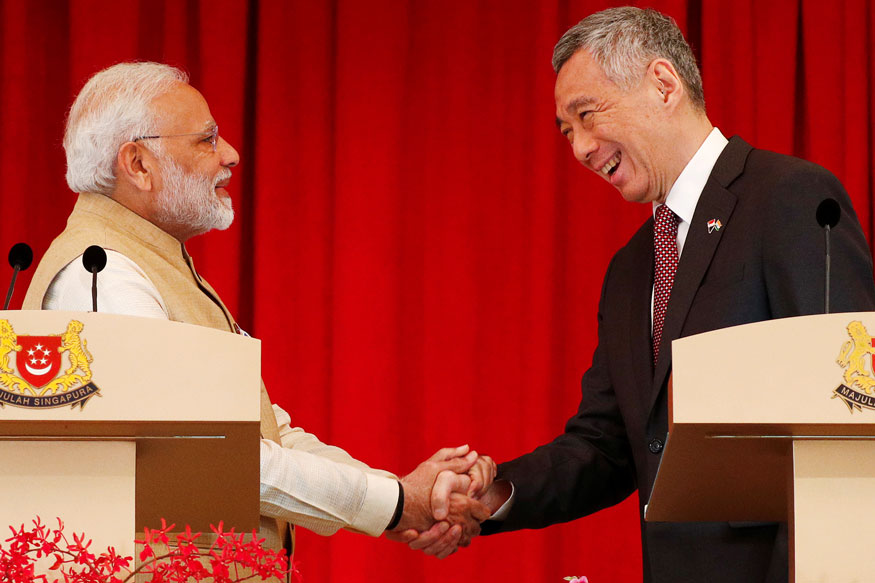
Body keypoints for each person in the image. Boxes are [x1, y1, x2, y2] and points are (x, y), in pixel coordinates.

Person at [399, 6, 875, 581]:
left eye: (586, 114)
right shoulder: (631, 268)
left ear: (663, 84)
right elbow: (605, 446)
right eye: (566, 131)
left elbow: (852, 412)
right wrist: (491, 494)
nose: (578, 148)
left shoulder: (791, 200)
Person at [23, 61, 493, 562]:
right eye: (207, 139)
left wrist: (396, 494)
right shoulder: (105, 274)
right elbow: (208, 454)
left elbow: (267, 432)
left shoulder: (147, 260)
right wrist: (398, 504)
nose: (231, 155)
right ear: (138, 164)